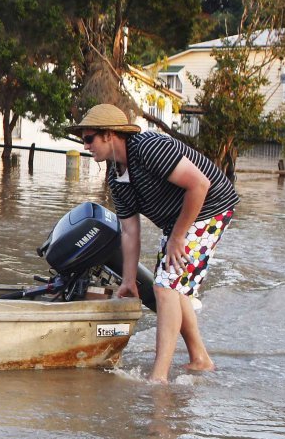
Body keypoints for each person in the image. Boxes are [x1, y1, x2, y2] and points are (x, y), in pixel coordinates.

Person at [67, 104, 239, 383]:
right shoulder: (117, 176)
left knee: (165, 287)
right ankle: (200, 359)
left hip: (211, 207)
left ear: (110, 135)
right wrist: (129, 279)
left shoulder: (148, 147)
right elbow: (129, 231)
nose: (85, 146)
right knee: (174, 288)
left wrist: (178, 237)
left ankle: (158, 378)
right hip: (178, 221)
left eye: (89, 139)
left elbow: (200, 185)